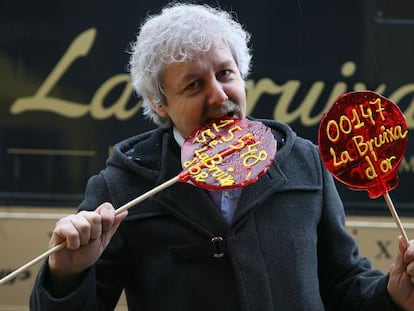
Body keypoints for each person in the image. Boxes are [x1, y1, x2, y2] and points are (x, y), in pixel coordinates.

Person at [30, 2, 414, 310]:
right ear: (158, 103)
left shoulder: (304, 162)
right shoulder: (121, 186)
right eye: (194, 84)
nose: (219, 95)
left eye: (226, 74)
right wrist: (67, 274)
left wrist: (393, 294)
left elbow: (344, 287)